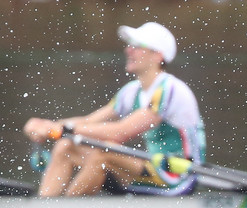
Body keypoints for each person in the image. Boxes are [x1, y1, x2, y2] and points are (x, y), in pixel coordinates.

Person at [22, 21, 205, 197]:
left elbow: (120, 132)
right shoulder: (131, 91)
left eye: (137, 46)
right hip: (151, 168)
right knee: (65, 146)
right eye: (129, 45)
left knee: (104, 151)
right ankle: (46, 207)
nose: (128, 50)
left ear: (158, 55)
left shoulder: (170, 89)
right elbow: (88, 122)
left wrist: (60, 130)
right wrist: (46, 126)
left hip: (177, 176)